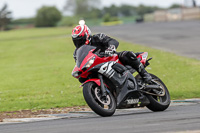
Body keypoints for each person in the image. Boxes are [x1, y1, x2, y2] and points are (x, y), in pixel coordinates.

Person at [71, 20, 152, 83]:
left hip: (110, 58)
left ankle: (145, 75)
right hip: (95, 66)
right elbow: (80, 63)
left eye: (80, 40)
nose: (78, 43)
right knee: (82, 78)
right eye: (76, 41)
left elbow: (113, 41)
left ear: (87, 35)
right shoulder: (76, 52)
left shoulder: (98, 37)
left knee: (126, 54)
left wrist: (111, 48)